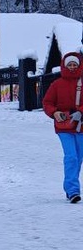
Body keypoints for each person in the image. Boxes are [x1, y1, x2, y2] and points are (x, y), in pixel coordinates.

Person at [42, 50, 83, 203]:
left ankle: (71, 187)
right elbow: (47, 103)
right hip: (64, 127)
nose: (72, 67)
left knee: (78, 159)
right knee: (71, 157)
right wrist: (55, 113)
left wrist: (80, 112)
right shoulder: (57, 84)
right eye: (69, 64)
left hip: (81, 126)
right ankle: (73, 190)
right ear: (64, 66)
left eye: (74, 64)